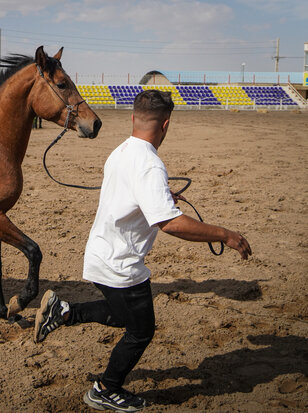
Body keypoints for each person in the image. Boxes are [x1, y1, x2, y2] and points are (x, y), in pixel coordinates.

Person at [33, 90, 252, 412]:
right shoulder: (150, 164)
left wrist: (160, 195)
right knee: (140, 331)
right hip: (121, 263)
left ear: (134, 118)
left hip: (101, 253)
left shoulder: (122, 150)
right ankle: (106, 389)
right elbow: (171, 224)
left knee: (122, 316)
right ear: (166, 125)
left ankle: (64, 311)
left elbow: (135, 196)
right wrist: (224, 234)